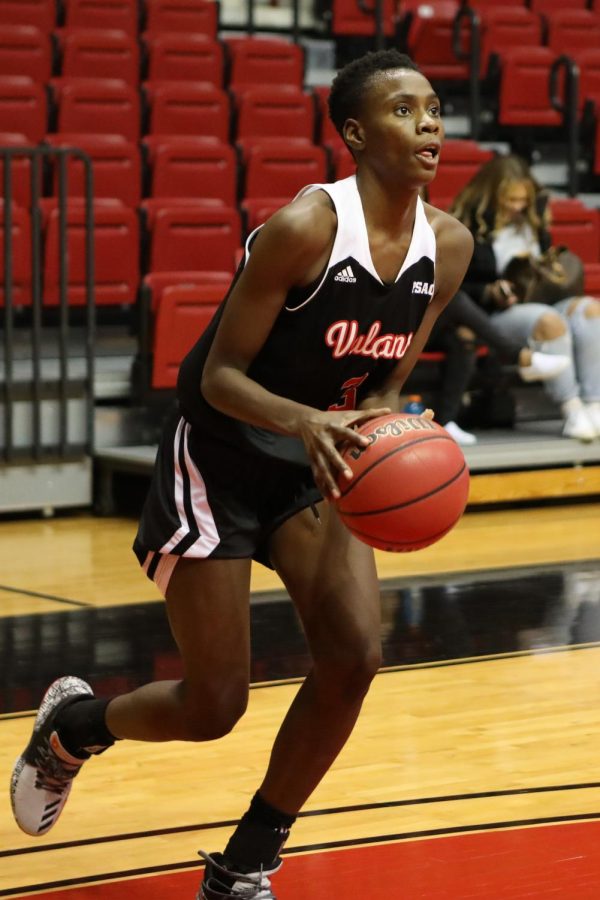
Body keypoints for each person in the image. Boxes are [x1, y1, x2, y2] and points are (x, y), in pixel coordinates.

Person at [10, 50, 474, 900]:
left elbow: (389, 379)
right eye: (406, 111)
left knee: (355, 658)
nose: (431, 123)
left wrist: (396, 425)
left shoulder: (447, 245)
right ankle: (70, 730)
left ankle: (251, 857)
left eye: (436, 108)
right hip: (219, 457)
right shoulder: (303, 230)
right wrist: (304, 420)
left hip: (317, 467)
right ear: (355, 133)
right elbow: (213, 378)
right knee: (214, 705)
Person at [449, 154, 600, 442]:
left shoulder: (533, 222)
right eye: (511, 200)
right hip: (494, 315)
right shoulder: (466, 228)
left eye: (523, 200)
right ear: (491, 194)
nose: (518, 207)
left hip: (541, 300)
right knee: (550, 321)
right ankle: (572, 409)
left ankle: (595, 404)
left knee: (592, 309)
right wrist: (490, 291)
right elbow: (453, 288)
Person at [425, 286, 571, 445]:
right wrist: (483, 292)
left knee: (464, 342)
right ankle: (521, 357)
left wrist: (497, 292)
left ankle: (446, 421)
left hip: (469, 318)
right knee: (455, 297)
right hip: (418, 319)